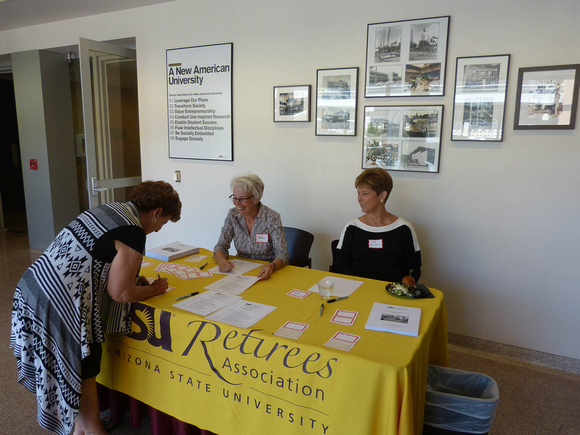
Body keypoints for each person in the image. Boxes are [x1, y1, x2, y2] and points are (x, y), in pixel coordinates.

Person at [10, 180, 182, 435]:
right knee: (87, 402)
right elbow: (121, 293)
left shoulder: (109, 210)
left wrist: (134, 281)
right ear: (156, 212)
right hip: (60, 309)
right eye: (163, 223)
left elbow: (94, 256)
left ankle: (80, 428)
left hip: (33, 290)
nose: (157, 230)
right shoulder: (132, 231)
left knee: (82, 401)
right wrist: (153, 290)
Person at [334, 168, 421, 286]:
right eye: (358, 193)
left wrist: (408, 282)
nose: (360, 199)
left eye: (365, 193)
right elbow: (340, 266)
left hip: (393, 293)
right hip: (358, 291)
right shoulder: (351, 228)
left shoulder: (404, 229)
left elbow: (414, 268)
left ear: (382, 196)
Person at [214, 173, 288, 280]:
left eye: (242, 199)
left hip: (265, 271)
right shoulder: (233, 215)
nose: (237, 204)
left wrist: (271, 266)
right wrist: (221, 261)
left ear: (256, 198)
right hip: (239, 272)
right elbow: (221, 246)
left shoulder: (272, 218)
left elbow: (282, 254)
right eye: (235, 198)